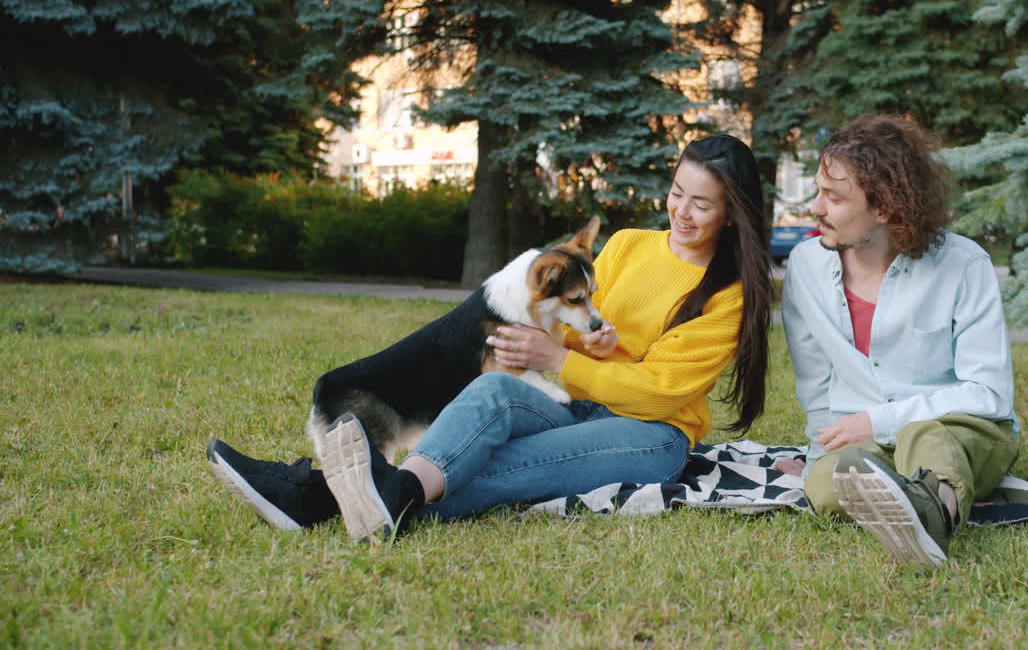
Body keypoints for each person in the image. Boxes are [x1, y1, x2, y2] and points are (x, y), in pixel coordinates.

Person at [207, 134, 775, 542]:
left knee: (499, 465)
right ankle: (376, 497)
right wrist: (583, 347)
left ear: (731, 215)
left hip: (651, 437)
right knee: (489, 394)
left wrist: (561, 357)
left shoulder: (729, 295)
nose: (681, 211)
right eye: (677, 192)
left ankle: (314, 498)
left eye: (701, 204)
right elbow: (576, 325)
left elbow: (658, 393)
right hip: (579, 407)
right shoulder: (628, 243)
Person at [778, 114, 1019, 567]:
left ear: (885, 206)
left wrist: (880, 421)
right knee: (827, 483)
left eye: (833, 196)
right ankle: (912, 497)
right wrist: (816, 455)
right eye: (817, 190)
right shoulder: (805, 266)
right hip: (863, 442)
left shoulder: (964, 265)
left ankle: (935, 521)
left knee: (926, 438)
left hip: (959, 428)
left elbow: (989, 394)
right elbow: (815, 383)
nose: (816, 207)